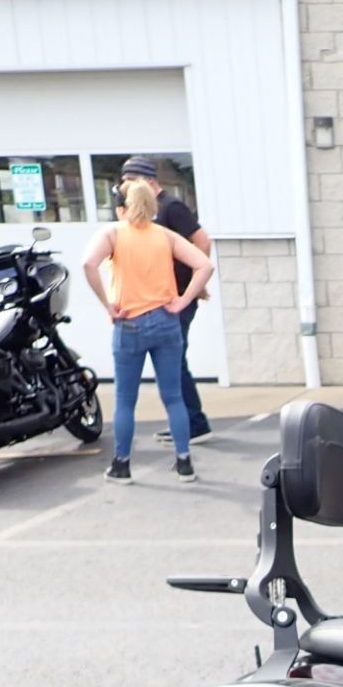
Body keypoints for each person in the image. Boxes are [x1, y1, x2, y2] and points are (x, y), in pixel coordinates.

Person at [81, 176, 214, 484]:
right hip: (166, 321)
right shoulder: (164, 236)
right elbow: (204, 265)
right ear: (153, 205)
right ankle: (184, 463)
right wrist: (182, 300)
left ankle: (122, 465)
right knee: (173, 396)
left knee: (126, 399)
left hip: (129, 322)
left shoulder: (113, 234)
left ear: (124, 207)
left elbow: (88, 264)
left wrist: (107, 304)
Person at [116, 156, 214, 446]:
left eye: (130, 182)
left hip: (176, 299)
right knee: (174, 364)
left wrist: (193, 288)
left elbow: (203, 242)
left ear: (148, 180)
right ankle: (188, 422)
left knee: (175, 364)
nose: (126, 189)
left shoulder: (171, 208)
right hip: (157, 300)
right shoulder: (144, 215)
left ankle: (195, 423)